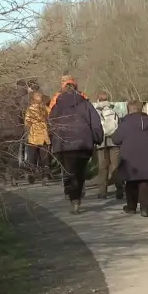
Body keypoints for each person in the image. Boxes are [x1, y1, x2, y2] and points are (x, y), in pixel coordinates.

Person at [47, 75, 104, 214]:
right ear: (76, 88)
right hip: (83, 143)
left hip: (63, 144)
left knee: (69, 172)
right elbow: (95, 121)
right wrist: (97, 138)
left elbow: (50, 124)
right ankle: (76, 197)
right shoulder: (85, 103)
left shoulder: (57, 105)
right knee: (79, 172)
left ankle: (73, 198)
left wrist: (52, 141)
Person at [111, 100, 148, 217]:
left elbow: (116, 139)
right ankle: (145, 209)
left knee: (130, 183)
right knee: (145, 184)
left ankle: (131, 207)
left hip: (130, 157)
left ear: (129, 110)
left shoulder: (125, 123)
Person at [92, 91, 124, 199]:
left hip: (101, 143)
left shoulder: (95, 110)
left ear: (98, 99)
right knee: (116, 166)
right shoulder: (115, 109)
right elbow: (121, 123)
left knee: (102, 167)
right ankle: (119, 190)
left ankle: (102, 192)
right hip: (115, 141)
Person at [23, 90, 52, 185]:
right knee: (45, 158)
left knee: (32, 158)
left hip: (33, 137)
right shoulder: (46, 109)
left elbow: (27, 123)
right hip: (44, 136)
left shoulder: (30, 109)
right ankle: (45, 177)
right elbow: (51, 119)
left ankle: (31, 175)